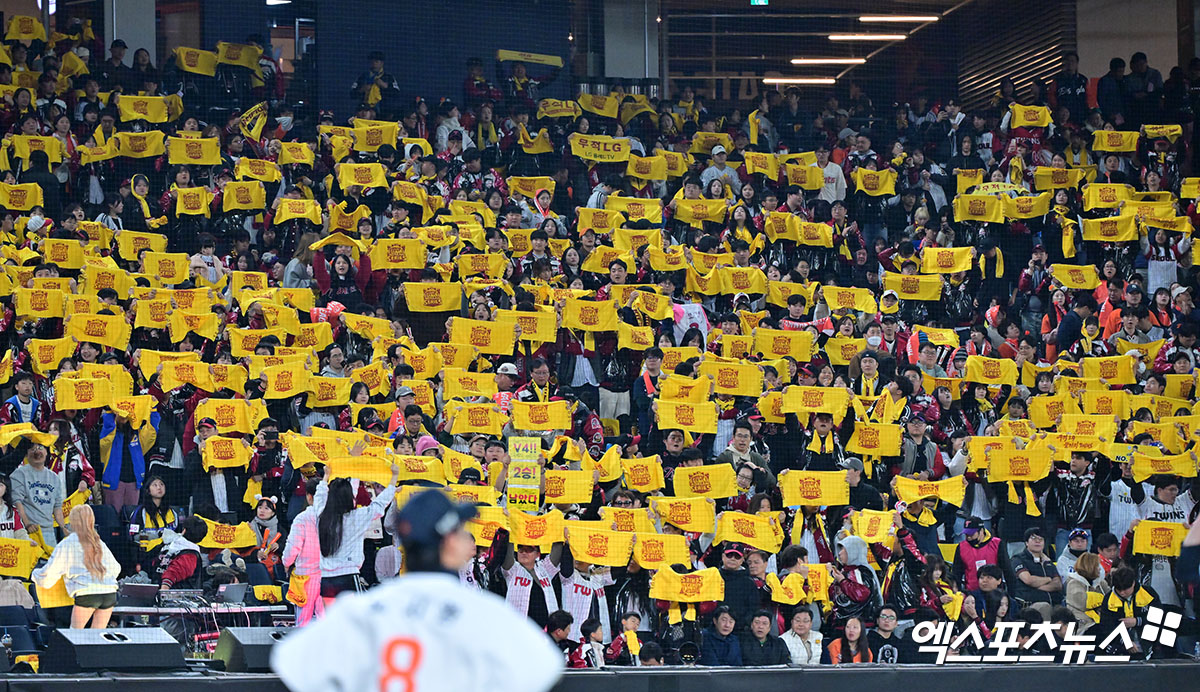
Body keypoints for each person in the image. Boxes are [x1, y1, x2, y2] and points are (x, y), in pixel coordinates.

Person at [271, 489, 562, 691]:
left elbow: (291, 662)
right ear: (449, 543)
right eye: (461, 531)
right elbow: (544, 667)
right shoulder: (484, 614)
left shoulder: (361, 612)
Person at [314, 456, 400, 607]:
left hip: (326, 581)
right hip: (348, 578)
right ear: (350, 498)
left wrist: (326, 477)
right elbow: (379, 505)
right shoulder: (356, 517)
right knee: (353, 624)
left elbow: (319, 497)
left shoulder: (321, 515)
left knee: (333, 623)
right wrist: (393, 479)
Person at [32, 505, 120, 629]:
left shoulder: (67, 543)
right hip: (109, 592)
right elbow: (116, 568)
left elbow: (50, 573)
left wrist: (35, 574)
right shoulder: (99, 542)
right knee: (98, 637)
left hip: (87, 593)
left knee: (76, 635)